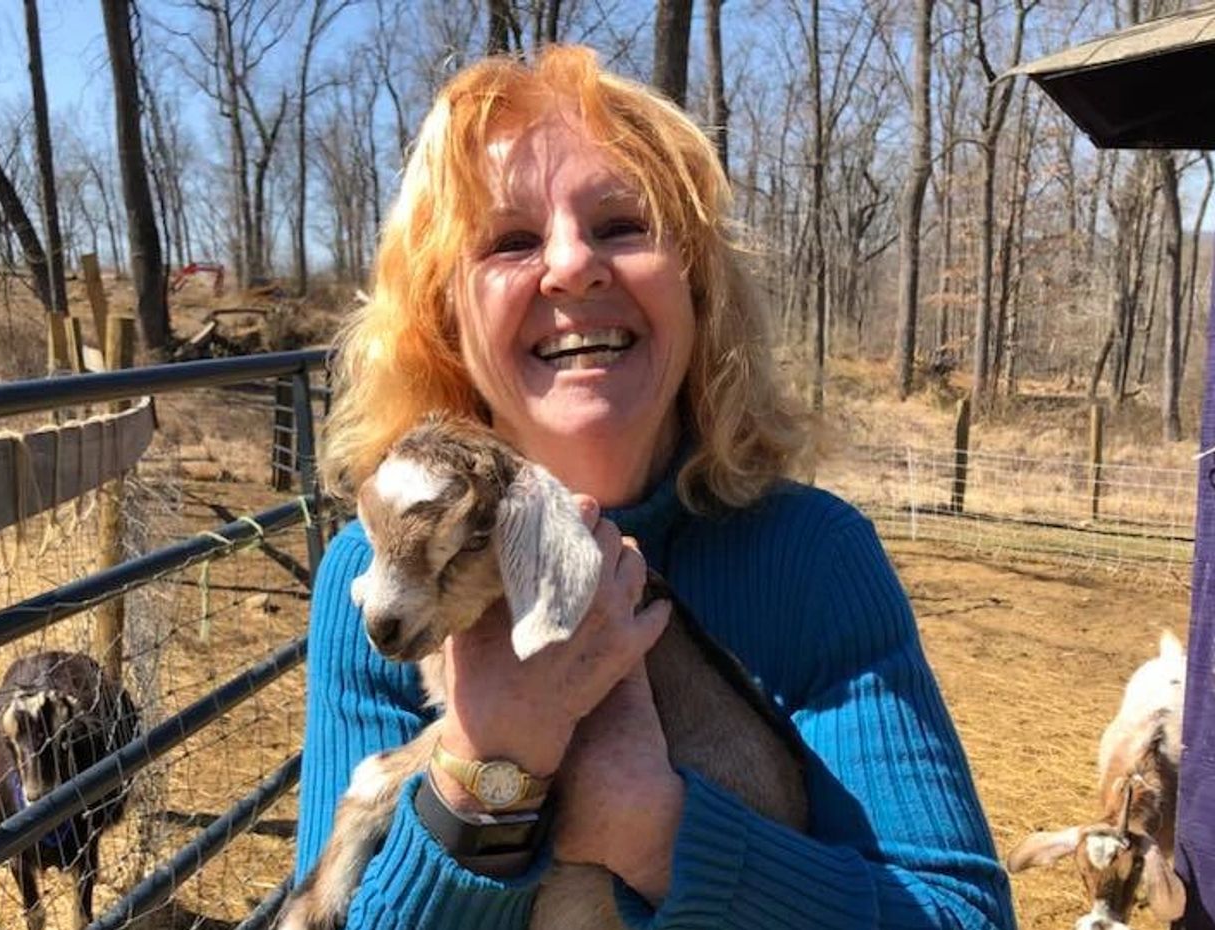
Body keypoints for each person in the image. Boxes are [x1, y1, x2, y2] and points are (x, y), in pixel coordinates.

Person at [294, 44, 1016, 930]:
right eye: (511, 241)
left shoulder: (811, 559)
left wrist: (659, 835)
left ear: (695, 287)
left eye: (623, 226)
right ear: (446, 317)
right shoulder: (366, 586)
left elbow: (961, 915)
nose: (572, 265)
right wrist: (493, 773)